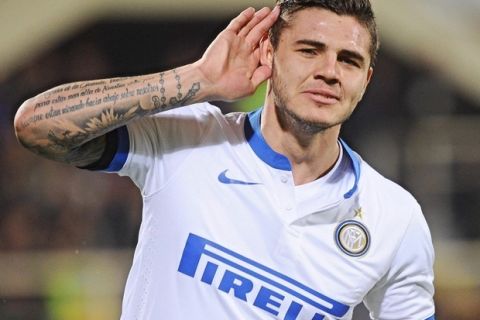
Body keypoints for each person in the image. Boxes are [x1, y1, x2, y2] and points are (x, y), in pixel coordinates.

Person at [14, 0, 436, 319]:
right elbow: (36, 126)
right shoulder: (186, 141)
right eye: (310, 50)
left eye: (349, 60)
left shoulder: (394, 219)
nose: (330, 71)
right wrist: (199, 79)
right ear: (269, 55)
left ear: (366, 79)